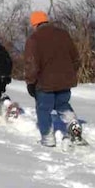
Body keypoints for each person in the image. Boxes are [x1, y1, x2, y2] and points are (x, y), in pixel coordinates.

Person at [22, 10, 80, 146]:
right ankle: (73, 123)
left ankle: (47, 138)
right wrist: (69, 73)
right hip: (65, 81)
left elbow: (31, 64)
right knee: (63, 105)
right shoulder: (64, 34)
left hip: (44, 83)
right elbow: (76, 59)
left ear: (35, 24)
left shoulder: (34, 39)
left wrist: (30, 82)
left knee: (43, 109)